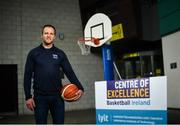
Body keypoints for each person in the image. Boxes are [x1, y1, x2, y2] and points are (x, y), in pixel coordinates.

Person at [23, 24, 84, 124]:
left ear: (54, 36)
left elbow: (69, 72)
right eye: (46, 33)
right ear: (41, 35)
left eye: (51, 33)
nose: (48, 35)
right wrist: (28, 96)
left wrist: (80, 87)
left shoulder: (60, 53)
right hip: (40, 97)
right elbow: (27, 76)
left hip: (57, 97)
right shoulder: (33, 53)